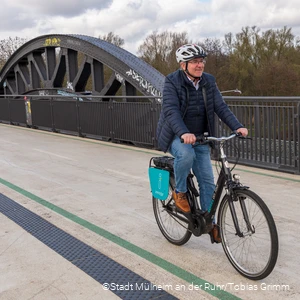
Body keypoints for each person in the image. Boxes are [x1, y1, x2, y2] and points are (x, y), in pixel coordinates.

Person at [156, 44, 248, 243]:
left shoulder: (208, 81)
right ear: (183, 65)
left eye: (201, 61)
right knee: (186, 155)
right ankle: (180, 192)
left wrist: (237, 126)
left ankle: (209, 222)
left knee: (207, 182)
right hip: (176, 135)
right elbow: (171, 111)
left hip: (201, 136)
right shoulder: (171, 82)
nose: (200, 65)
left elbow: (220, 107)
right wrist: (183, 133)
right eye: (195, 62)